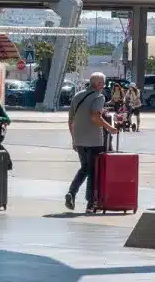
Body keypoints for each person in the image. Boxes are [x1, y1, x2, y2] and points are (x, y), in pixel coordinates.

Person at [64, 72, 115, 212]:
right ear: (100, 84)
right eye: (102, 83)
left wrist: (74, 139)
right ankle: (91, 204)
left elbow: (70, 121)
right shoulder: (99, 96)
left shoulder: (77, 96)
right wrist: (110, 128)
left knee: (84, 168)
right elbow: (95, 116)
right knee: (93, 172)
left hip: (79, 139)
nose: (103, 86)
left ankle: (71, 192)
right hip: (95, 140)